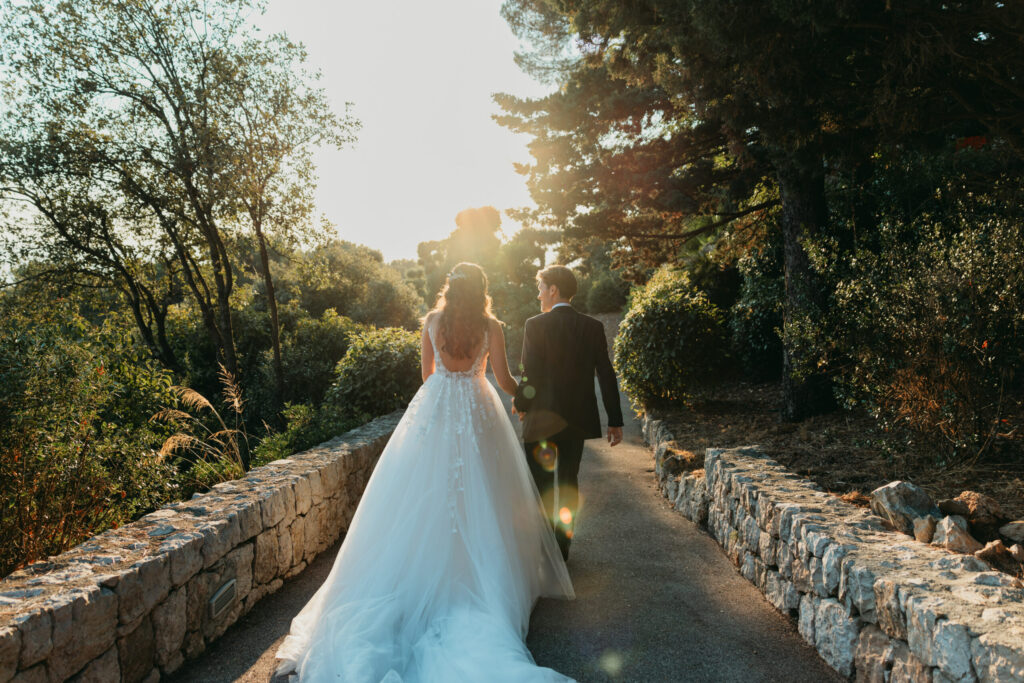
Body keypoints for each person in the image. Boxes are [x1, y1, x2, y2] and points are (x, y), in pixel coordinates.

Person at [275, 262, 575, 682]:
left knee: (420, 494)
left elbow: (426, 375)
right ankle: (478, 582)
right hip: (477, 410)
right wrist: (534, 391)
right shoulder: (491, 326)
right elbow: (505, 380)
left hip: (434, 408)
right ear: (483, 289)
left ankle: (416, 579)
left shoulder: (433, 321)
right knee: (484, 493)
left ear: (450, 289)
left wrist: (447, 388)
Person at [514, 265, 624, 561]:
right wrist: (615, 420)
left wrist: (522, 405)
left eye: (540, 287)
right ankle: (562, 549)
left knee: (541, 486)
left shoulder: (535, 325)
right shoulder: (592, 327)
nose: (538, 294)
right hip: (577, 421)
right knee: (568, 480)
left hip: (541, 422)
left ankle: (544, 550)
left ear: (553, 290)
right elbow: (606, 374)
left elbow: (530, 373)